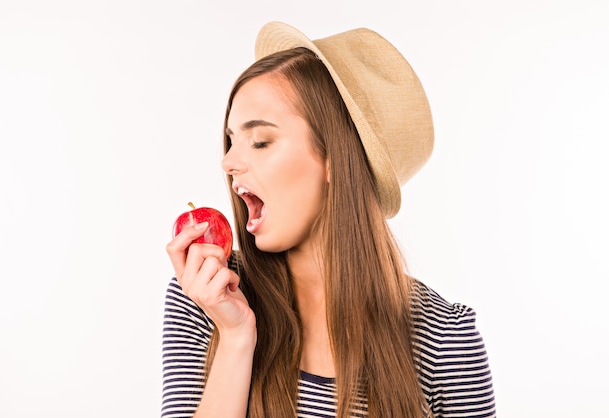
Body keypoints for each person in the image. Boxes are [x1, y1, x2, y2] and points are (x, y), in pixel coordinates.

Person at [162, 21, 496, 418]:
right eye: (231, 139)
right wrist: (236, 338)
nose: (229, 162)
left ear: (336, 158)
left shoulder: (445, 336)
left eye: (260, 141)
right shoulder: (208, 297)